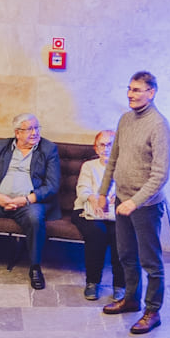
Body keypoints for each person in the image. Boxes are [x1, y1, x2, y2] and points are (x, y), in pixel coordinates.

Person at [101, 72, 170, 334]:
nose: (130, 94)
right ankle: (131, 299)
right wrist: (102, 191)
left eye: (137, 90)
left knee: (151, 262)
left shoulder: (159, 126)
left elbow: (160, 175)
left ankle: (152, 311)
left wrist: (135, 202)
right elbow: (113, 159)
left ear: (151, 93)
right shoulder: (125, 119)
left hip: (146, 207)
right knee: (126, 255)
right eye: (129, 89)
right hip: (122, 200)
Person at [0, 113, 64, 291]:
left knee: (35, 218)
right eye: (29, 129)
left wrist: (26, 199)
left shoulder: (48, 149)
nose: (35, 132)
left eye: (37, 128)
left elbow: (52, 185)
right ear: (17, 133)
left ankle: (35, 267)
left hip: (30, 202)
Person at [72, 128, 124, 302]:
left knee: (120, 234)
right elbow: (82, 190)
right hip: (86, 210)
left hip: (114, 212)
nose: (105, 148)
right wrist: (95, 200)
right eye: (101, 145)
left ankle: (120, 285)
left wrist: (116, 198)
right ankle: (92, 282)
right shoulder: (89, 166)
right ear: (95, 148)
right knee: (97, 232)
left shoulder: (124, 167)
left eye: (110, 145)